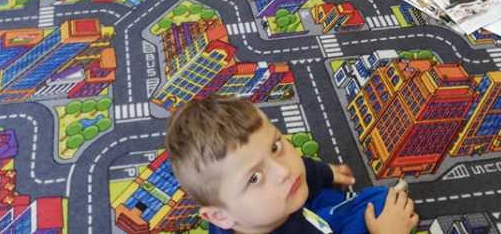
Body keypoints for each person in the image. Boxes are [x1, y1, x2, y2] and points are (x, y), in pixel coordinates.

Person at [165, 95, 418, 234]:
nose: (284, 170)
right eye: (254, 178)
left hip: (300, 214)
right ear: (220, 216)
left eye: (275, 147)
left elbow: (303, 167)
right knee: (383, 206)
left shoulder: (264, 201)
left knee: (380, 200)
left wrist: (326, 173)